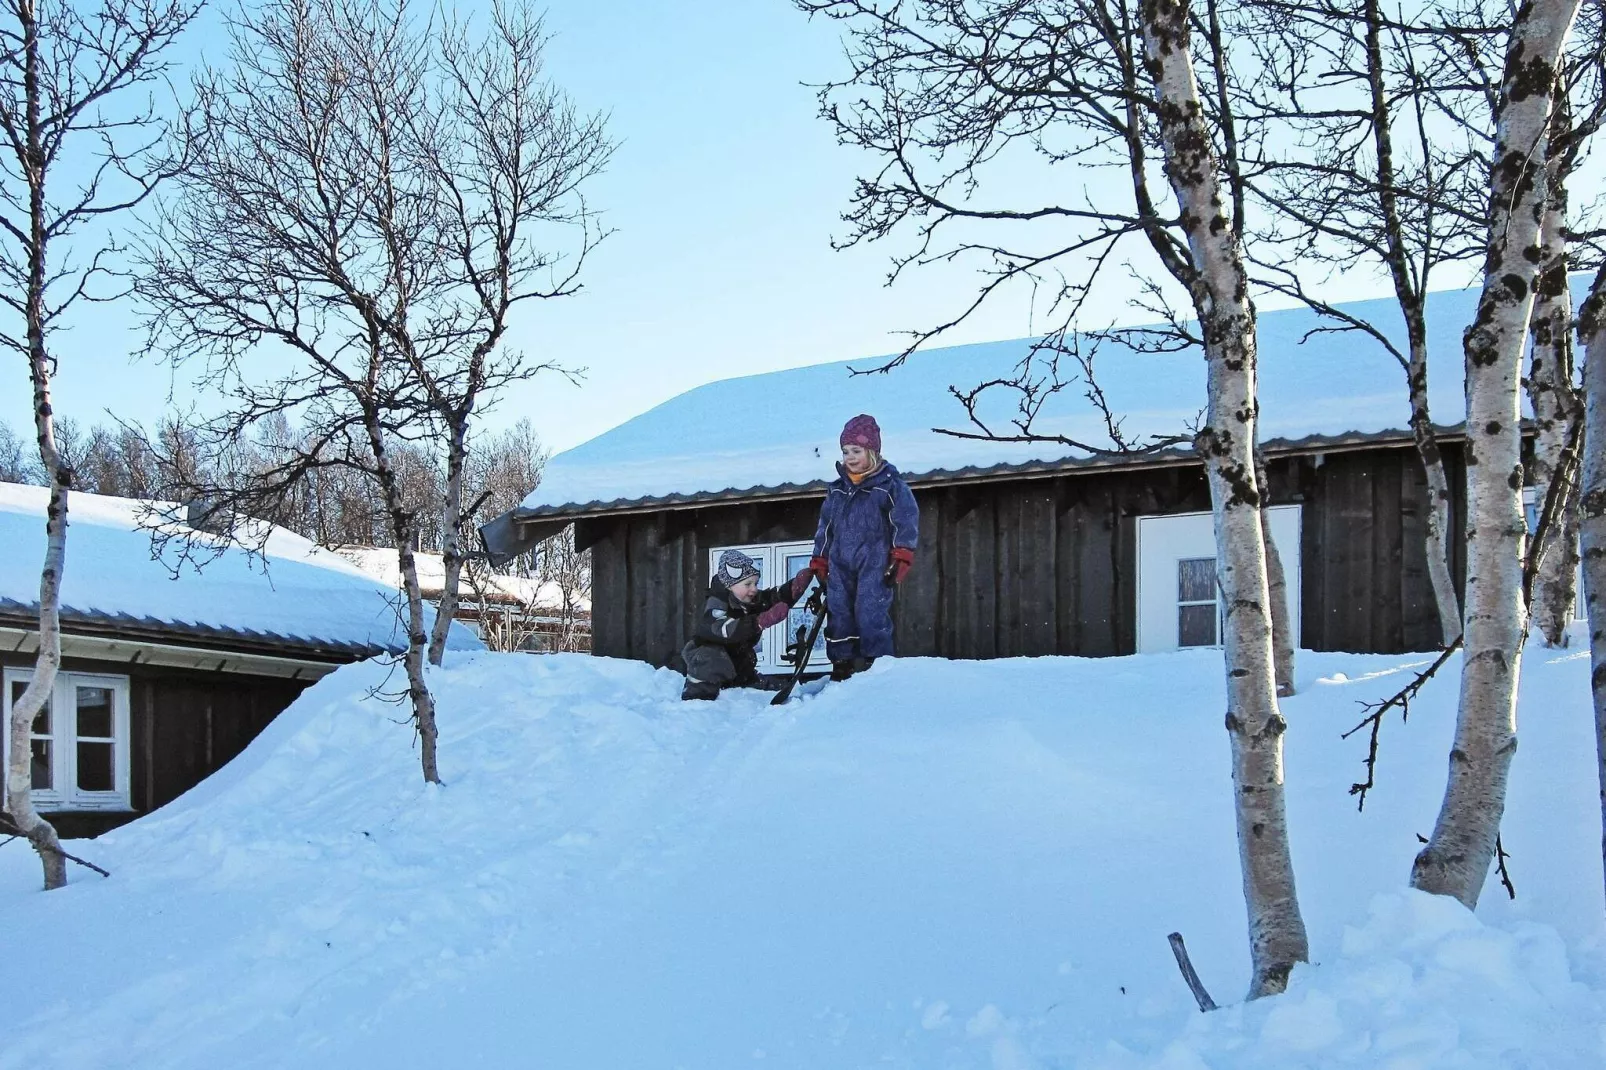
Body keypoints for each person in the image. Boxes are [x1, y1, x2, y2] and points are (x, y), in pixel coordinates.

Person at [810, 414, 919, 681]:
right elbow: (825, 528)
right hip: (840, 562)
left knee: (870, 611)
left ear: (872, 451)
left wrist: (901, 555)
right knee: (839, 612)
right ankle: (842, 666)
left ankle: (877, 668)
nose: (849, 457)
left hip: (875, 560)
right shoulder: (836, 490)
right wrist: (820, 560)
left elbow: (905, 521)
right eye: (845, 451)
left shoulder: (889, 487)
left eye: (856, 451)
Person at [680, 548, 816, 701]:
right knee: (710, 656)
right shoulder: (716, 605)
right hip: (705, 677)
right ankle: (702, 704)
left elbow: (771, 597)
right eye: (748, 584)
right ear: (729, 585)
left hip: (740, 671)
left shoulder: (747, 601)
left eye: (756, 583)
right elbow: (724, 629)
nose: (754, 589)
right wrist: (761, 621)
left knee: (780, 691)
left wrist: (794, 588)